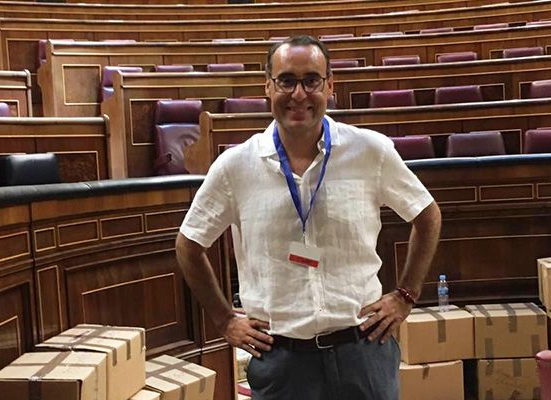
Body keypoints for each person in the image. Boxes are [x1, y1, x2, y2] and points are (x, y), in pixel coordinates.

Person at [175, 35, 441, 400]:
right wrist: (224, 320)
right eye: (286, 80)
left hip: (362, 350)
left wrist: (406, 295)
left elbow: (427, 215)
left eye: (311, 80)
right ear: (267, 86)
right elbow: (189, 244)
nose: (298, 94)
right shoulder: (236, 167)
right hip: (283, 361)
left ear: (330, 86)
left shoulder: (370, 151)